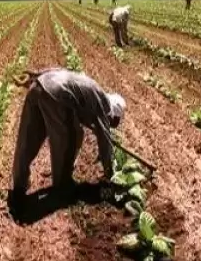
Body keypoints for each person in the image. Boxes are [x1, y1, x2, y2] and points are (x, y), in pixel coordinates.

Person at [9, 68, 126, 209]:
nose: (112, 125)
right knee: (69, 139)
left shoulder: (93, 92)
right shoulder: (104, 105)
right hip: (57, 96)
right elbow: (105, 141)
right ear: (114, 115)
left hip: (38, 86)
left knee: (28, 139)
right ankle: (62, 186)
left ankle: (19, 186)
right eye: (114, 123)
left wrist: (35, 76)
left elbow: (61, 72)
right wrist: (111, 175)